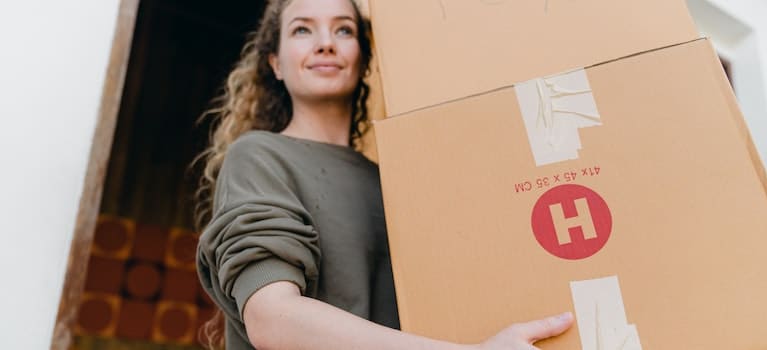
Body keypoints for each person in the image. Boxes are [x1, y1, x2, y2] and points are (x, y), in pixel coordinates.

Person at [195, 0, 575, 349]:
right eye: (302, 29)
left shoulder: (396, 182)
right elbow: (273, 320)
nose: (326, 43)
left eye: (343, 30)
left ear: (364, 60)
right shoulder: (260, 156)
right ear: (275, 63)